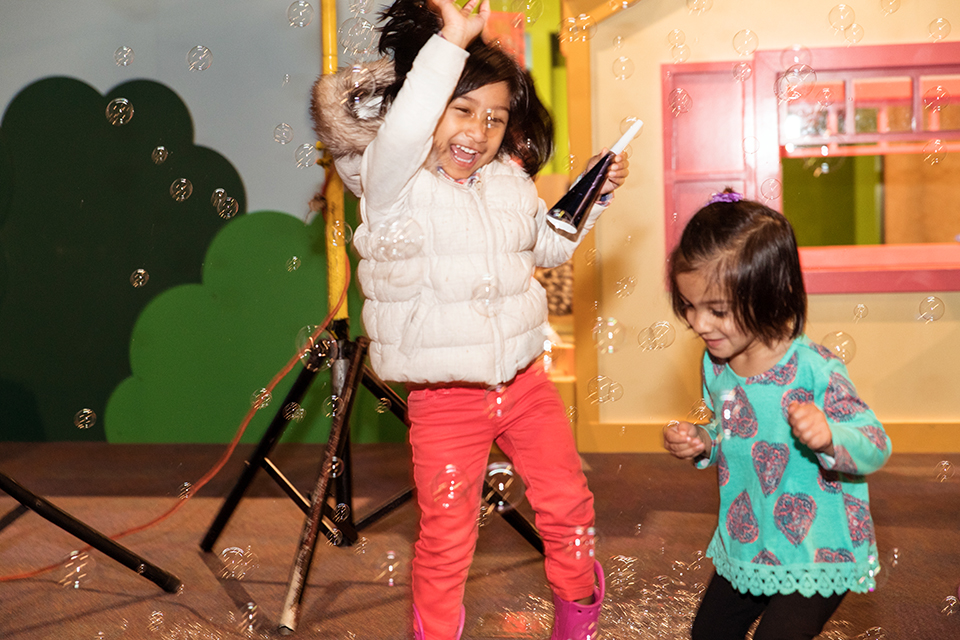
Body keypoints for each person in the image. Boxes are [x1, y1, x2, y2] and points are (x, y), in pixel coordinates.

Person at [310, 0, 629, 638]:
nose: (478, 132)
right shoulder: (391, 183)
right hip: (445, 401)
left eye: (495, 118)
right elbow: (400, 134)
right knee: (448, 536)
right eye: (462, 110)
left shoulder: (507, 181)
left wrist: (594, 195)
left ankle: (577, 624)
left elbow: (549, 245)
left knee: (569, 505)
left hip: (525, 386)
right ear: (426, 109)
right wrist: (452, 38)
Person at [661, 190, 891, 640]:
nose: (699, 324)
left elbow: (875, 444)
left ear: (770, 295)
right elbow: (730, 426)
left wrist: (828, 438)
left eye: (718, 310)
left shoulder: (813, 367)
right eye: (689, 306)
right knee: (708, 634)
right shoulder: (716, 364)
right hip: (749, 540)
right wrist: (704, 440)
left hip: (816, 548)